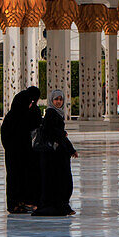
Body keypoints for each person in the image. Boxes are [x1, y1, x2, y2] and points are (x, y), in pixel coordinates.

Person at [32, 89, 78, 217]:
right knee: (60, 181)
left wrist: (69, 148)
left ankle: (62, 206)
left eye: (60, 99)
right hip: (53, 155)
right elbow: (51, 131)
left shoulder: (57, 113)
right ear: (51, 101)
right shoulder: (51, 113)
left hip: (57, 154)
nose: (58, 102)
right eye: (56, 99)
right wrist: (64, 138)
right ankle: (59, 206)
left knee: (60, 181)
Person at [0, 85, 42, 213]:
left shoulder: (14, 117)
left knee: (22, 177)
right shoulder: (17, 117)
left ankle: (22, 202)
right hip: (18, 152)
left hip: (21, 152)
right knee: (16, 177)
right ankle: (16, 203)